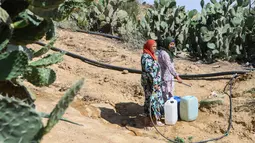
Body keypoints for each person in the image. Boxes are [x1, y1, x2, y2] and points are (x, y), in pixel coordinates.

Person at [141, 39, 165, 127]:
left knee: (152, 100)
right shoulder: (146, 57)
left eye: (155, 46)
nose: (155, 48)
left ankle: (152, 120)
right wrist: (155, 83)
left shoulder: (151, 56)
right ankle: (152, 122)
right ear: (148, 47)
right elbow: (150, 72)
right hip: (150, 84)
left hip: (154, 83)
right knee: (152, 101)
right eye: (153, 46)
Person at [158, 37, 182, 102]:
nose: (172, 46)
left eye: (173, 44)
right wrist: (177, 76)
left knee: (170, 93)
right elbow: (170, 66)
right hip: (165, 77)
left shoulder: (168, 52)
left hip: (169, 76)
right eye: (170, 44)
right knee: (165, 93)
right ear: (166, 44)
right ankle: (165, 109)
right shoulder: (164, 54)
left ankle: (170, 108)